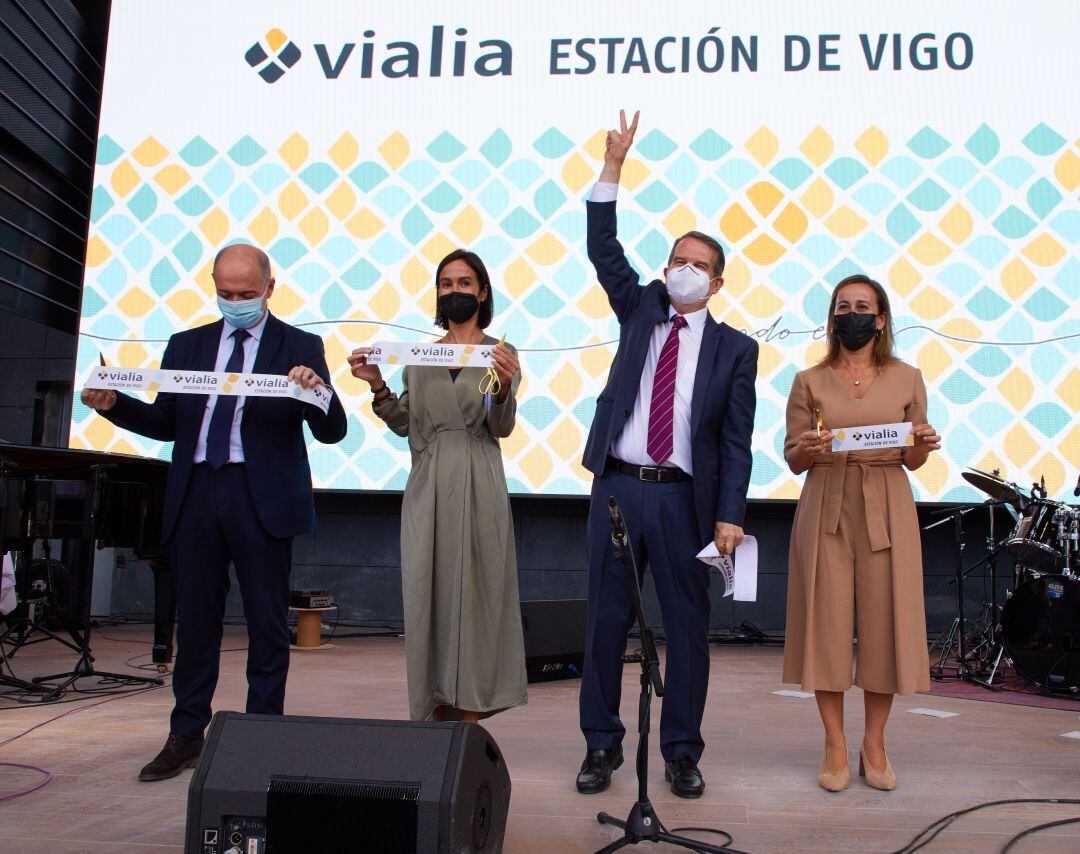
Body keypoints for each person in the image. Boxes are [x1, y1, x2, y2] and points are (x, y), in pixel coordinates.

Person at [81, 244, 347, 781]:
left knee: (267, 625)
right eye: (225, 294)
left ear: (269, 289)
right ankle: (185, 735)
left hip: (261, 498)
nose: (235, 303)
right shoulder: (188, 344)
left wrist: (316, 393)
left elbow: (333, 429)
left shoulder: (301, 345)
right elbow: (166, 423)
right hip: (197, 492)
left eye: (246, 295)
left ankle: (261, 735)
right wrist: (115, 407)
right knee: (196, 623)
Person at [576, 111, 758, 799]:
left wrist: (730, 515)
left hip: (686, 499)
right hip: (619, 488)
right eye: (678, 260)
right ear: (666, 268)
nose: (686, 271)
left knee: (687, 631)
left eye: (701, 266)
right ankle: (601, 746)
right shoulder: (641, 306)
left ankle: (682, 750)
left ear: (718, 284)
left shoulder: (738, 349)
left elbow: (735, 440)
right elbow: (603, 250)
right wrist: (613, 169)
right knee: (604, 622)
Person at [348, 249, 527, 723]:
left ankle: (469, 718)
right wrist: (377, 387)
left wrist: (506, 388)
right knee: (429, 596)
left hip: (479, 481)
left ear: (482, 291)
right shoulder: (421, 357)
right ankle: (435, 712)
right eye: (446, 284)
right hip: (427, 486)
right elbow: (407, 423)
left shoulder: (500, 355)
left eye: (464, 283)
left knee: (479, 598)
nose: (454, 292)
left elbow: (501, 426)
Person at [781, 273, 941, 793]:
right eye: (842, 306)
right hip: (826, 502)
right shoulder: (809, 379)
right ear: (832, 319)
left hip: (887, 506)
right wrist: (808, 447)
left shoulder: (907, 376)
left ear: (881, 318)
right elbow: (793, 458)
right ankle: (833, 743)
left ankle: (874, 742)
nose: (852, 313)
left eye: (862, 305)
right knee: (825, 627)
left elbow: (913, 459)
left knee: (883, 626)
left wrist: (921, 442)